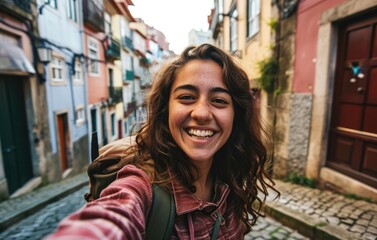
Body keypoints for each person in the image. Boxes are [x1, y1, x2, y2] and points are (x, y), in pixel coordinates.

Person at [45, 43, 278, 239]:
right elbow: (111, 218)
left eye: (218, 100)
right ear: (165, 110)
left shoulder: (229, 181)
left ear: (236, 115)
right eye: (187, 97)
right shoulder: (140, 187)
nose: (202, 113)